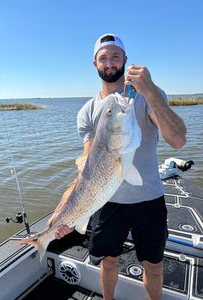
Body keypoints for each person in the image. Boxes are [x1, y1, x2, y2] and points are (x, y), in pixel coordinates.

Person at [48, 33, 186, 300]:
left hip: (149, 198)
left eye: (115, 57)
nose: (109, 63)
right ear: (95, 64)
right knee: (107, 262)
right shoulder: (87, 112)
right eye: (103, 58)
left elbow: (178, 140)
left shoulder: (145, 97)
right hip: (106, 200)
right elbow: (86, 170)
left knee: (154, 266)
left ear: (125, 60)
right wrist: (62, 212)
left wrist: (151, 91)